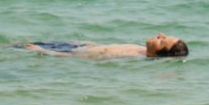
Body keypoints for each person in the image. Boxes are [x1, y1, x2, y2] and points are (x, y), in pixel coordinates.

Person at [22, 32, 189, 59]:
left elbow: (85, 58)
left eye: (162, 41)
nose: (160, 35)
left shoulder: (130, 56)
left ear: (156, 54)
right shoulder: (140, 49)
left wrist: (45, 52)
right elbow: (107, 47)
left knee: (20, 47)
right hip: (76, 46)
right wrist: (88, 44)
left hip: (69, 52)